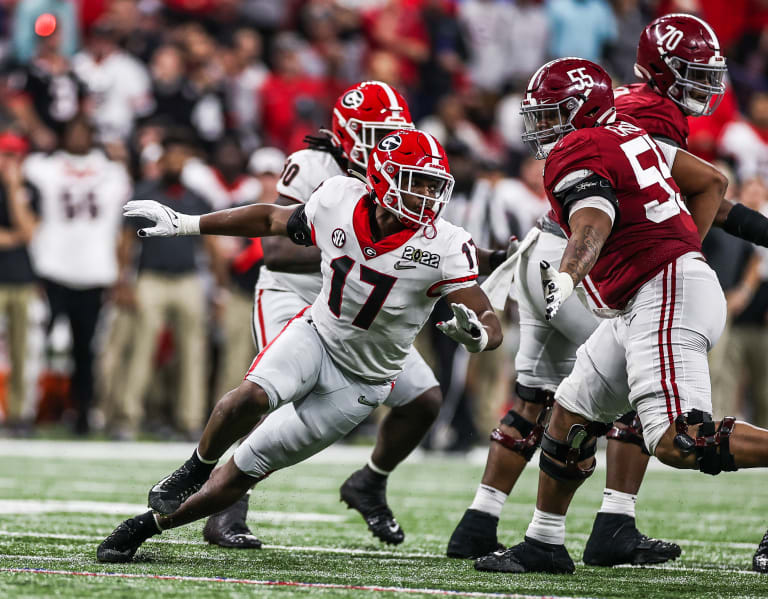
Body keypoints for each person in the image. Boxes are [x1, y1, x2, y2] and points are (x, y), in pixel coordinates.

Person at [96, 128, 503, 563]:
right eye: (415, 181)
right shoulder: (339, 198)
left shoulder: (445, 243)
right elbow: (272, 219)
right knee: (249, 397)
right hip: (315, 335)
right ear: (381, 178)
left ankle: (146, 526)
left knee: (244, 471)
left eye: (432, 185)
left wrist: (480, 336)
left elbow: (485, 315)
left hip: (362, 383)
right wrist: (186, 224)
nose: (426, 195)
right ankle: (193, 469)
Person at [450, 12, 768, 569]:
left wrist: (578, 270)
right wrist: (671, 239)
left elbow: (594, 218)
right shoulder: (629, 128)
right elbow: (711, 183)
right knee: (569, 411)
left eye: (549, 116)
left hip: (653, 285)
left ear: (578, 112)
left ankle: (550, 524)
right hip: (637, 288)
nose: (539, 128)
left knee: (679, 439)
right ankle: (545, 542)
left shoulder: (588, 142)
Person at [204, 81, 506, 549]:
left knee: (424, 400)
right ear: (345, 133)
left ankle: (370, 481)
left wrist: (482, 257)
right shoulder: (315, 167)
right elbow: (279, 249)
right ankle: (225, 505)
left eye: (390, 131)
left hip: (365, 310)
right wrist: (354, 248)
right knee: (267, 396)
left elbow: (419, 242)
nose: (379, 141)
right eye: (370, 131)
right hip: (299, 295)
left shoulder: (402, 171)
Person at [23, 116, 131, 434]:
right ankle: (27, 411)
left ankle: (83, 412)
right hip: (53, 267)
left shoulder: (112, 171)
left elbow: (123, 227)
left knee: (86, 351)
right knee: (36, 346)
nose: (79, 137)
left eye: (85, 131)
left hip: (96, 271)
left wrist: (121, 272)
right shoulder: (44, 166)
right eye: (73, 131)